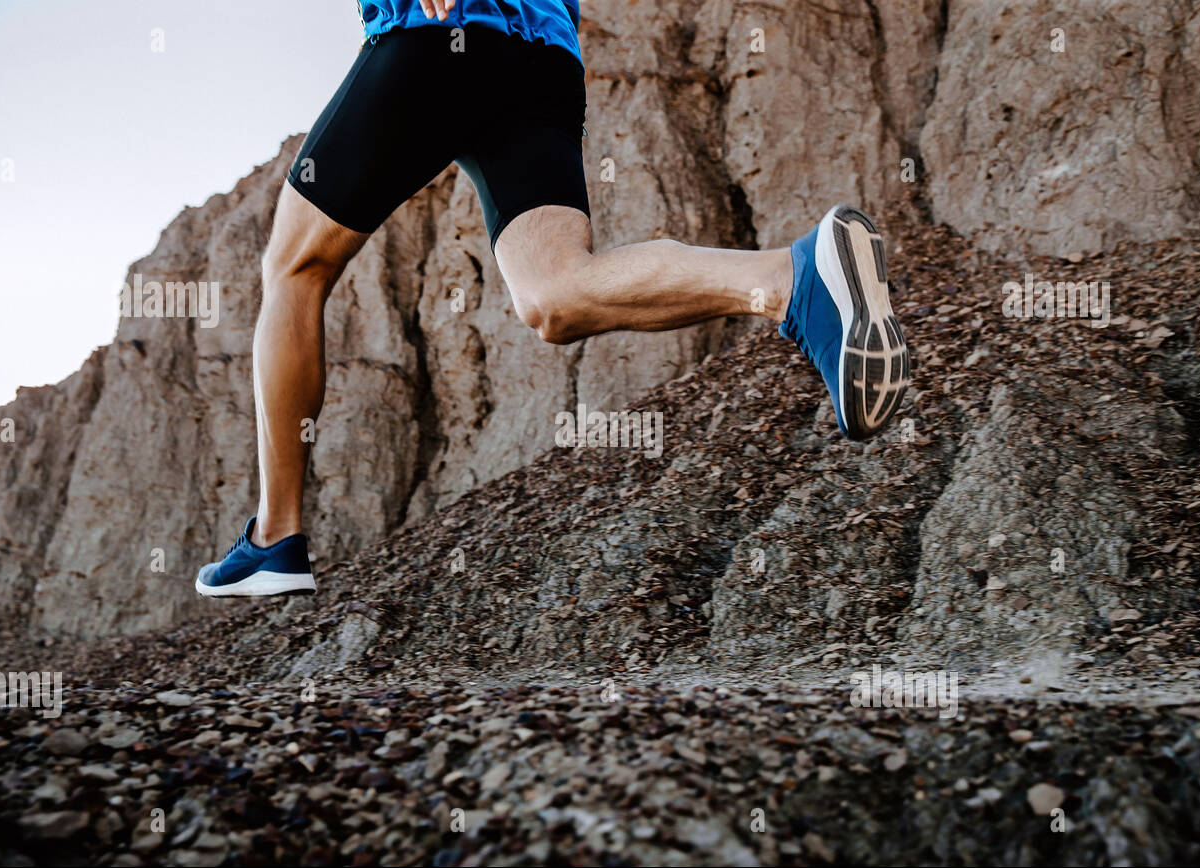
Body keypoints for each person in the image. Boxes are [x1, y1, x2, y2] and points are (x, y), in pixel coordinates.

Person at [195, 0, 910, 597]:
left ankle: (276, 536)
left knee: (293, 267)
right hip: (543, 64)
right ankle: (796, 279)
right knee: (555, 295)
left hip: (439, 36)